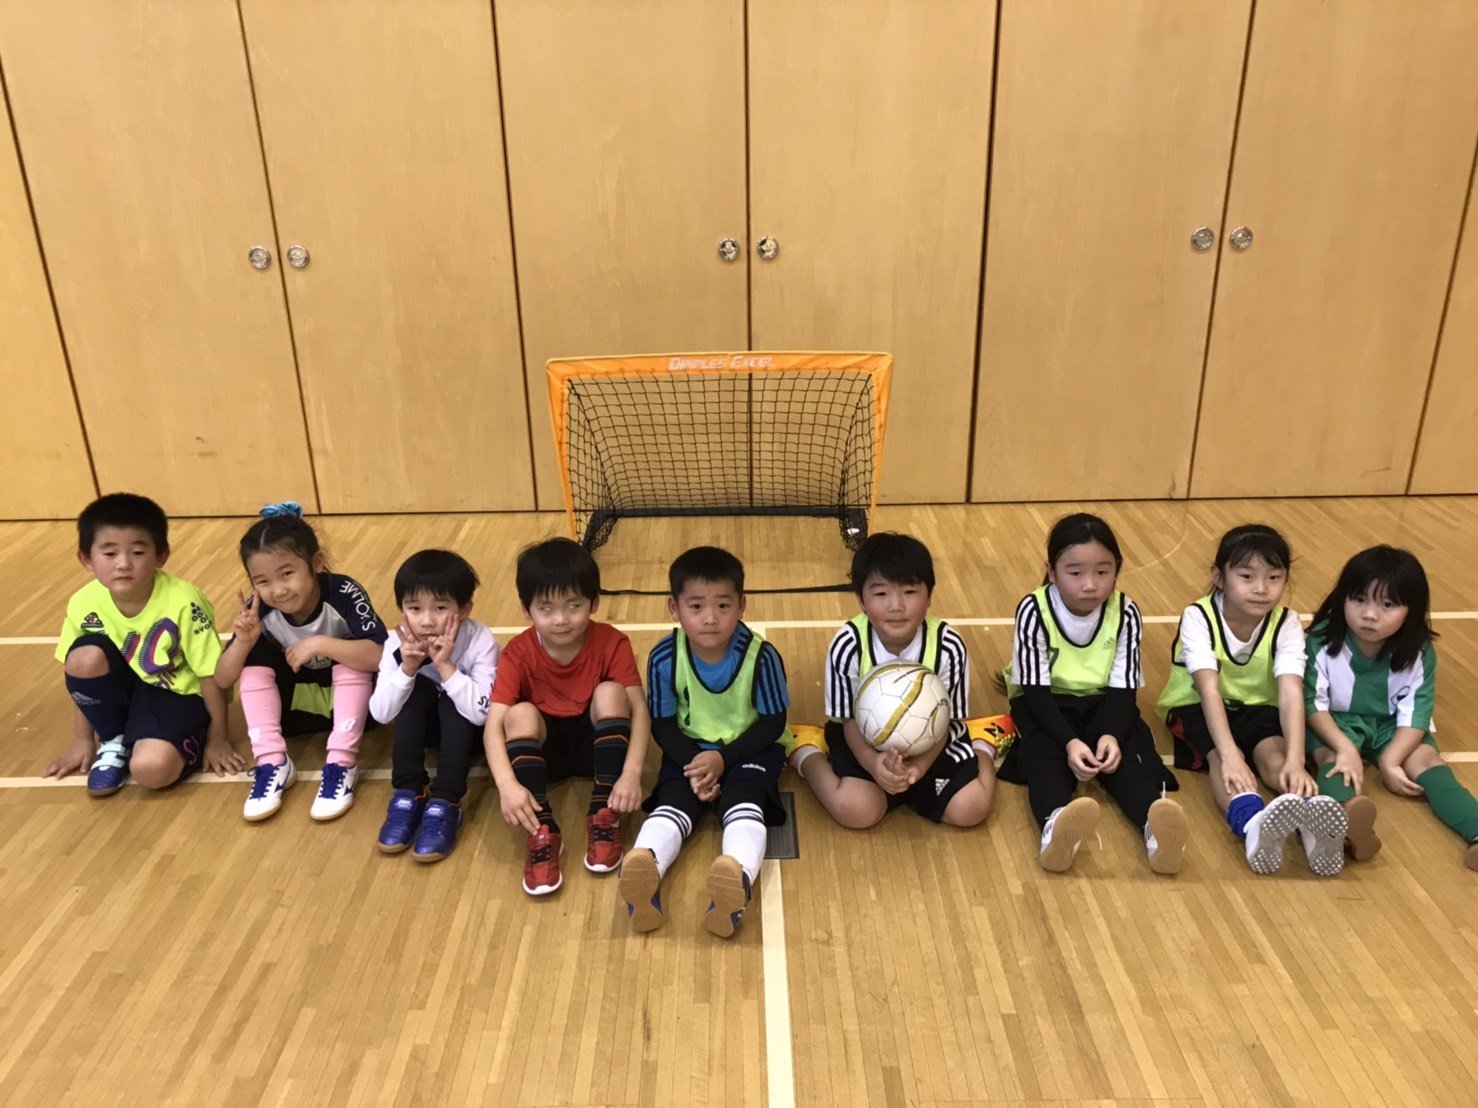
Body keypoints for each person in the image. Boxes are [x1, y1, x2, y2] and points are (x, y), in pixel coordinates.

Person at [619, 547, 791, 938]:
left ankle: (735, 880)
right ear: (674, 609)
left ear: (742, 606)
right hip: (689, 750)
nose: (710, 618)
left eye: (723, 605)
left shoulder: (762, 657)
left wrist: (723, 760)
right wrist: (697, 765)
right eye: (696, 606)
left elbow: (773, 723)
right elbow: (663, 725)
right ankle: (644, 869)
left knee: (744, 799)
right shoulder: (664, 657)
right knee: (673, 802)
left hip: (751, 747)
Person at [999, 513, 1185, 874]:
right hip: (1046, 702)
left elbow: (1122, 686)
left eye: (1103, 572)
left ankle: (1155, 829)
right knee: (1047, 759)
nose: (1090, 584)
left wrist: (1111, 735)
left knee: (1124, 758)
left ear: (1117, 570)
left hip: (1103, 701)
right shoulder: (1034, 610)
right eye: (1075, 573)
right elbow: (1035, 691)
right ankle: (1055, 827)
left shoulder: (1126, 612)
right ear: (1051, 572)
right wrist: (1070, 742)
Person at [1154, 524, 1337, 874]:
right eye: (1247, 576)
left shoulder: (1287, 622)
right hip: (1196, 706)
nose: (1261, 588)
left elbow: (1291, 691)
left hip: (1258, 707)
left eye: (1274, 577)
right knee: (1223, 762)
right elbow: (1208, 689)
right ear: (1219, 577)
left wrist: (1296, 760)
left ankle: (1313, 825)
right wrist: (1230, 754)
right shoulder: (1199, 617)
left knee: (1276, 758)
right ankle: (1253, 826)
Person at [790, 532, 995, 829]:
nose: (896, 605)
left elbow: (947, 720)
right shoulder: (848, 644)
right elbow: (847, 720)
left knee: (971, 809)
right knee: (858, 811)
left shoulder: (948, 645)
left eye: (909, 592)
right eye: (881, 594)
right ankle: (806, 753)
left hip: (933, 744)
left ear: (929, 596)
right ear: (861, 599)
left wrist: (920, 767)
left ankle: (984, 745)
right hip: (860, 739)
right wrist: (873, 763)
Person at [43, 493, 243, 793]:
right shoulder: (83, 602)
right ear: (86, 559)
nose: (123, 564)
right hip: (126, 692)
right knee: (82, 658)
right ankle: (114, 740)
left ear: (161, 556)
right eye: (110, 554)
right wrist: (83, 741)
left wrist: (218, 739)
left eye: (137, 552)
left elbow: (209, 674)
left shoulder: (185, 601)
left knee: (151, 771)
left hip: (173, 693)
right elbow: (83, 681)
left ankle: (178, 737)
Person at [484, 538, 649, 896]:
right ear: (526, 610)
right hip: (547, 757)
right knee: (519, 714)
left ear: (594, 602)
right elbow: (493, 726)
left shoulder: (612, 642)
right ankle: (542, 828)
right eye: (546, 609)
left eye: (574, 606)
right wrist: (507, 786)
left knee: (612, 692)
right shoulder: (517, 653)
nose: (560, 620)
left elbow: (639, 709)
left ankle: (604, 812)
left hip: (597, 750)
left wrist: (632, 773)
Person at [1305, 545, 1478, 872]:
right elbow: (1312, 705)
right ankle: (1346, 823)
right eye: (1359, 599)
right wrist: (1345, 748)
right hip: (1335, 724)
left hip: (1392, 726)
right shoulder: (1320, 641)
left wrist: (1391, 760)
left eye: (1387, 604)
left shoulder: (1419, 651)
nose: (1370, 614)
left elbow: (1417, 713)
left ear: (1411, 610)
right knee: (1334, 762)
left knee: (1429, 762)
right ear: (1342, 598)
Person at [215, 503, 385, 822]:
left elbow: (379, 656)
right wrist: (244, 642)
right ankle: (272, 762)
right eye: (262, 581)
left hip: (355, 706)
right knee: (254, 656)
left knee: (353, 653)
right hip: (296, 711)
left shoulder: (344, 592)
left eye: (287, 574)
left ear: (316, 563)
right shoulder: (258, 610)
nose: (278, 590)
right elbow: (223, 679)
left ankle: (342, 763)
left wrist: (322, 643)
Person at [369, 549, 499, 862]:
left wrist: (446, 667)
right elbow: (380, 713)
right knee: (414, 688)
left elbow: (482, 714)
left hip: (469, 736)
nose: (426, 621)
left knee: (454, 697)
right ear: (402, 608)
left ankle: (446, 800)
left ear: (464, 608)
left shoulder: (481, 640)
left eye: (440, 608)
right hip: (428, 732)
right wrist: (407, 669)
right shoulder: (396, 644)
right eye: (414, 608)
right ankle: (409, 791)